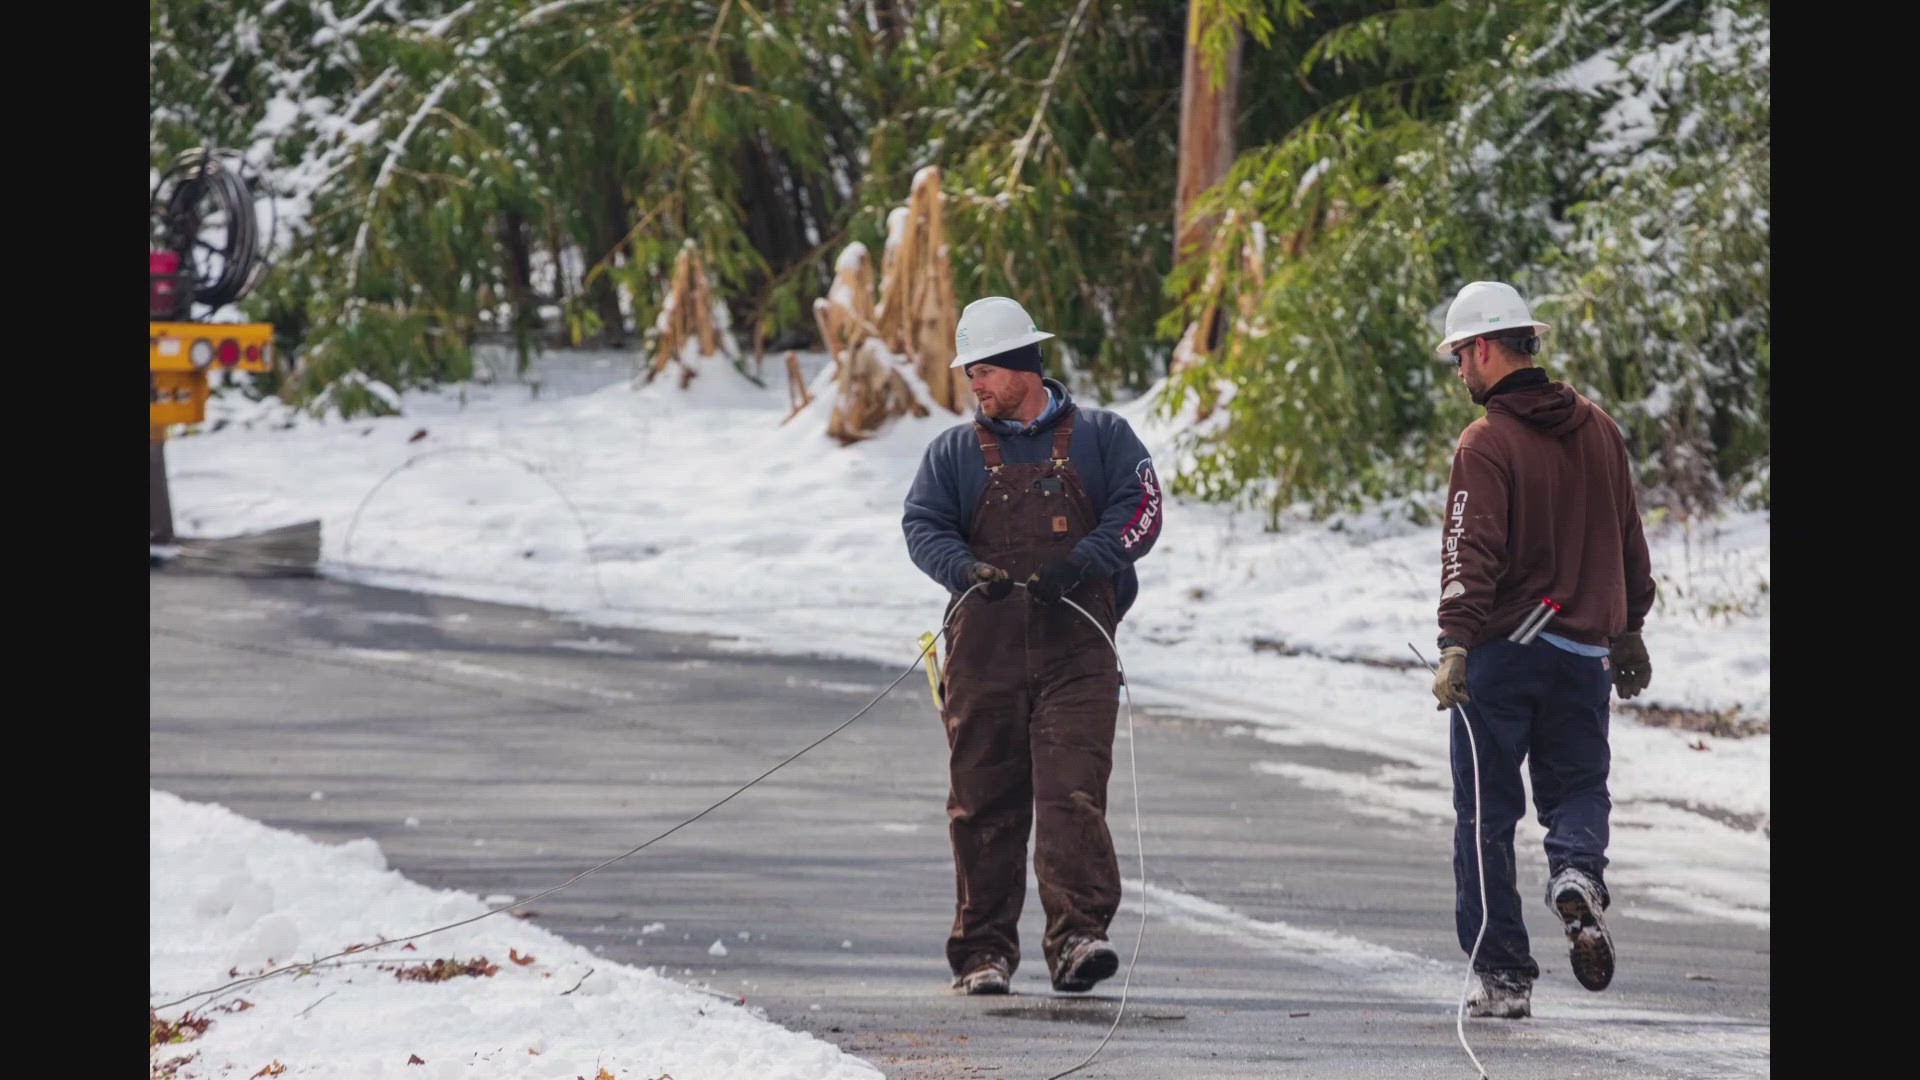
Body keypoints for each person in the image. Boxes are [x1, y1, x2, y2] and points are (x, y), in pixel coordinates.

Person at [902, 296, 1163, 995]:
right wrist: (964, 571)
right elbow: (923, 525)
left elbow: (1142, 511)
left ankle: (1078, 938)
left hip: (1077, 651)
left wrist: (1083, 562)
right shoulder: (953, 453)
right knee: (982, 802)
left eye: (983, 371)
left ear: (1022, 367)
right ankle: (983, 955)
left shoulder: (1103, 438)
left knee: (1070, 795)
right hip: (982, 656)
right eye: (971, 375)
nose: (975, 386)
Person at [1429, 281, 1655, 1019]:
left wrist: (1456, 642)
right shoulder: (1600, 429)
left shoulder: (1486, 442)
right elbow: (1629, 542)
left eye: (1461, 355)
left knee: (1487, 816)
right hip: (1584, 653)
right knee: (1580, 789)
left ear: (1485, 349)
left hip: (1506, 653)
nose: (1460, 370)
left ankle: (1502, 976)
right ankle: (1577, 872)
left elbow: (1471, 549)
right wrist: (1629, 629)